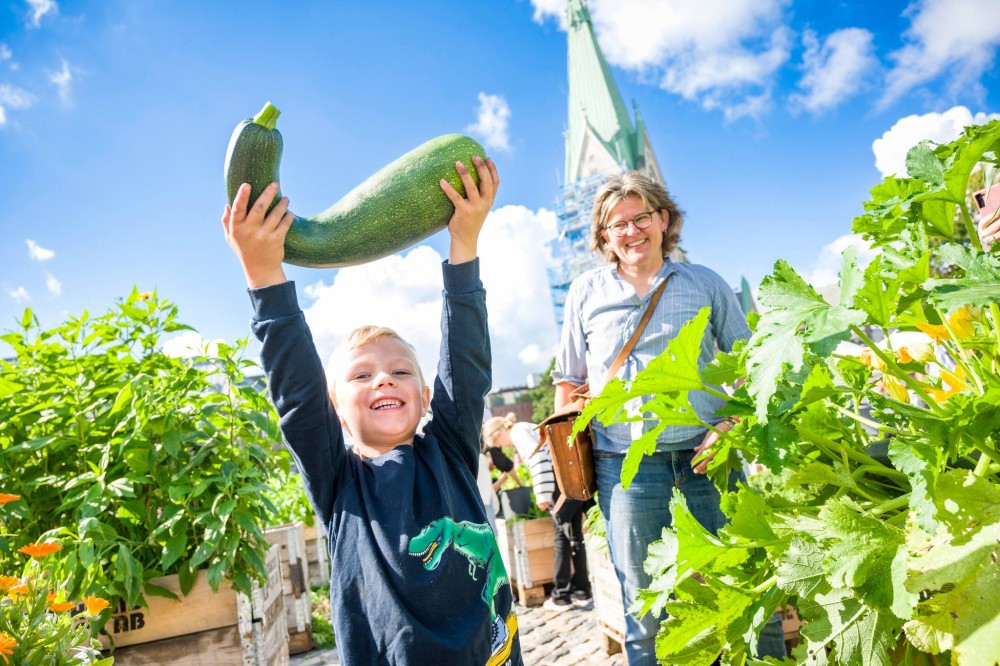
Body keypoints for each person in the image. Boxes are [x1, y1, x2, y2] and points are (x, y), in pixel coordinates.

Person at [222, 155, 523, 666]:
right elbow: (296, 393)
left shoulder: (447, 451)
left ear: (427, 398)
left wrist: (464, 244)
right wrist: (264, 273)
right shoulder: (338, 479)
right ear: (336, 409)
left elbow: (466, 365)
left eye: (401, 371)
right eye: (361, 376)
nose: (383, 378)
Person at [551, 171, 786, 664]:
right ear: (603, 235)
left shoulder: (704, 283)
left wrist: (730, 426)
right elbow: (568, 381)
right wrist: (569, 447)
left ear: (663, 219)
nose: (631, 231)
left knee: (749, 587)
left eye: (641, 218)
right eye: (618, 225)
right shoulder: (585, 293)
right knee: (645, 610)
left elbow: (752, 361)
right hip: (627, 471)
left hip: (709, 459)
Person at [482, 414, 593, 613]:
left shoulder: (517, 432)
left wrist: (542, 493)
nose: (503, 446)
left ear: (499, 433)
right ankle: (582, 590)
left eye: (498, 442)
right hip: (570, 478)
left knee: (561, 536)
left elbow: (539, 457)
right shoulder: (526, 426)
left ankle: (562, 595)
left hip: (559, 485)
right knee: (574, 534)